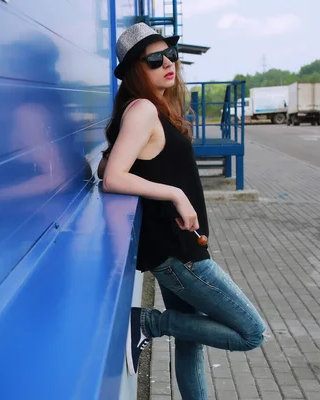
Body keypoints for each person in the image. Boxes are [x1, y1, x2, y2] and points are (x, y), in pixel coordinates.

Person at [98, 23, 266, 399]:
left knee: (192, 342)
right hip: (179, 256)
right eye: (154, 59)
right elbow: (113, 177)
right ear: (134, 71)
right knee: (251, 332)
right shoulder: (142, 110)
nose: (167, 64)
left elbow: (113, 163)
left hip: (181, 247)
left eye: (170, 55)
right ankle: (149, 322)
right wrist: (176, 193)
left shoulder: (156, 108)